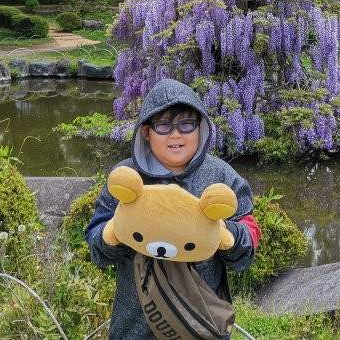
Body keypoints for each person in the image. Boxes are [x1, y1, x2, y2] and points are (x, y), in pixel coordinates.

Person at [86, 78, 261, 339]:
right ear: (146, 131)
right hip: (135, 327)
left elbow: (247, 247)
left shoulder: (221, 176)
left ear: (200, 127)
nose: (176, 135)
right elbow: (98, 250)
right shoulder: (126, 177)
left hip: (202, 325)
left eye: (186, 124)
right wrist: (115, 231)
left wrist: (226, 233)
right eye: (164, 126)